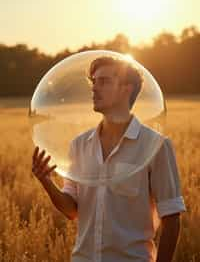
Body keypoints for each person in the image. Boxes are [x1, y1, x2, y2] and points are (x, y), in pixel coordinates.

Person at [32, 56, 187, 262]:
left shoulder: (156, 146)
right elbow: (72, 211)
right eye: (94, 82)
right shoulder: (79, 145)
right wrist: (46, 182)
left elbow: (172, 218)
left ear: (127, 89)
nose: (94, 89)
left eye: (103, 82)